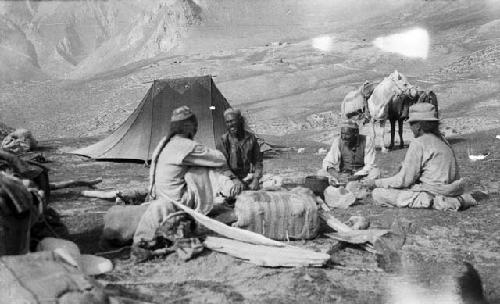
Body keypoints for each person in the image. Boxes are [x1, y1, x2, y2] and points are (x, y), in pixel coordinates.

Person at [132, 106, 241, 260]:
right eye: (194, 126)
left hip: (159, 195)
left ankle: (228, 191)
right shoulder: (186, 145)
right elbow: (219, 158)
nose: (195, 130)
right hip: (177, 201)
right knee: (203, 168)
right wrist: (230, 176)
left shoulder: (165, 142)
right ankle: (230, 191)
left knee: (195, 166)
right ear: (188, 126)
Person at [362, 103, 474, 210]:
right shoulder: (442, 140)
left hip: (433, 192)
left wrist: (376, 183)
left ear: (418, 125)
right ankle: (456, 200)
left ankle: (434, 202)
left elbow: (404, 180)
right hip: (451, 190)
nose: (410, 127)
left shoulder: (418, 143)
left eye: (411, 124)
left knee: (377, 194)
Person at [217, 108, 263, 191]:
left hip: (246, 177)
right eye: (227, 122)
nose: (230, 125)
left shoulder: (251, 138)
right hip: (229, 178)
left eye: (232, 121)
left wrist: (256, 179)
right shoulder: (224, 140)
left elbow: (258, 162)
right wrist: (234, 179)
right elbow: (222, 166)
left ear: (240, 120)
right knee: (232, 191)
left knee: (274, 182)